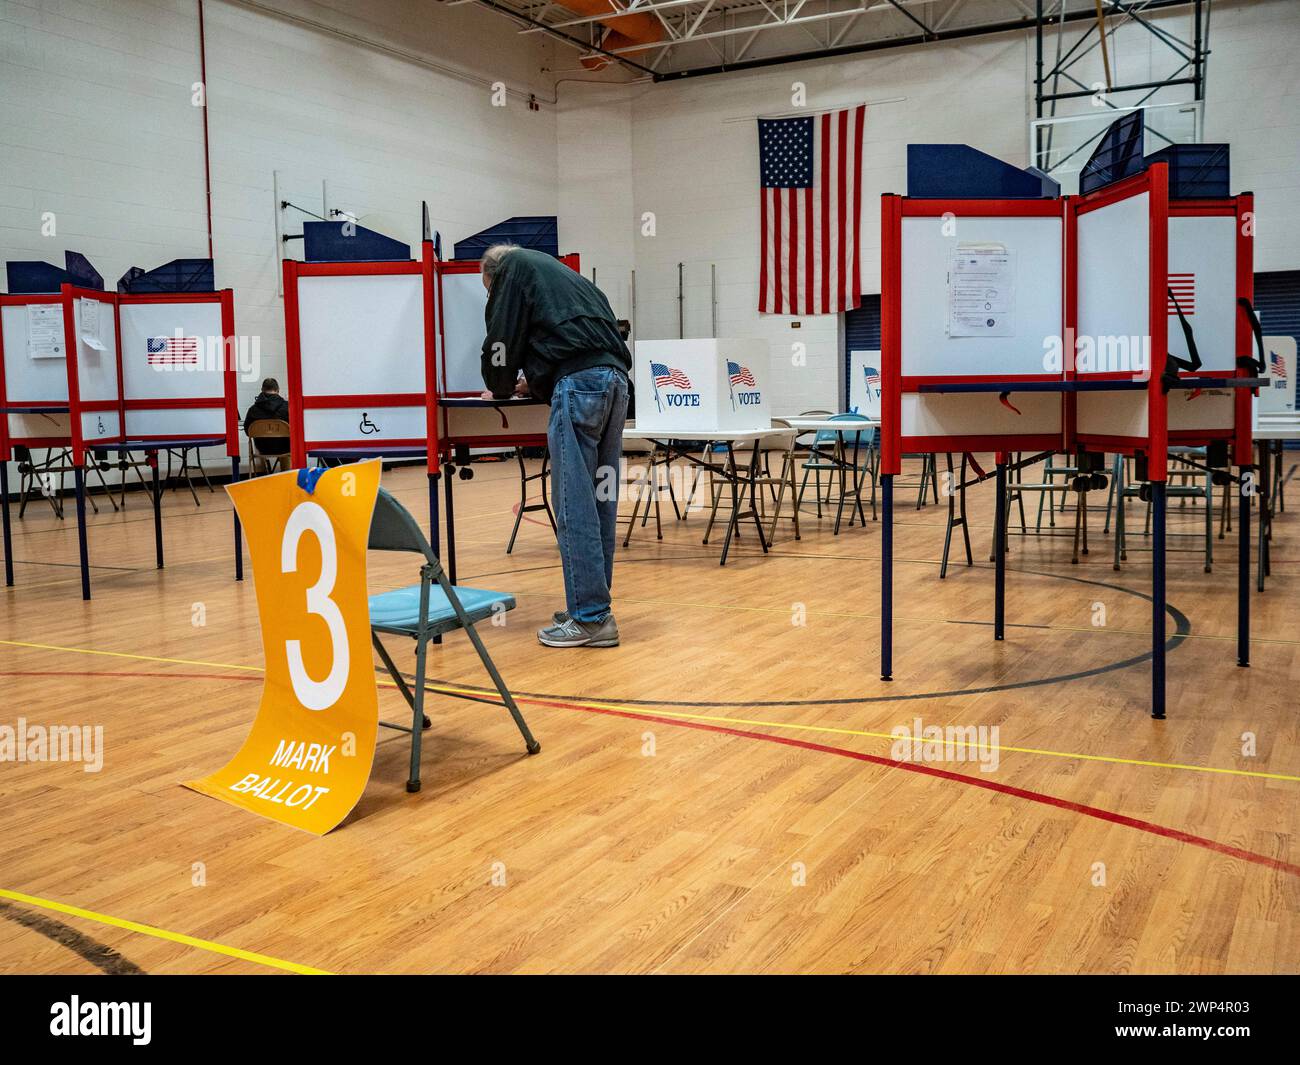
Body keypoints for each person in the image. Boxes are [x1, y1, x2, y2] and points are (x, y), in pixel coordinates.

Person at [479, 244, 631, 648]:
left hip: (580, 388)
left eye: (488, 290)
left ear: (492, 276)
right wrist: (543, 379)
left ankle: (590, 617)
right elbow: (579, 341)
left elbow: (501, 339)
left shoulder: (511, 268)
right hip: (614, 384)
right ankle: (591, 604)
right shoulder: (567, 277)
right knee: (600, 499)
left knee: (573, 503)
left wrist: (499, 385)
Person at [243, 378, 290, 455]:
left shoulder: (253, 410)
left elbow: (248, 432)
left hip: (262, 449)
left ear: (262, 390)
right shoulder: (287, 407)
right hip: (285, 448)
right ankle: (286, 467)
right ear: (278, 390)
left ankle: (261, 467)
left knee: (256, 441)